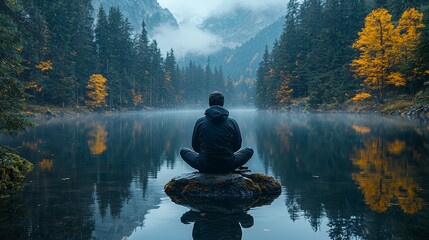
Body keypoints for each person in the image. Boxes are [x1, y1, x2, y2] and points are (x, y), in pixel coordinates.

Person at [180, 91, 253, 173]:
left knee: (184, 151)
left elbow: (196, 147)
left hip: (204, 165)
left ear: (209, 103)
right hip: (228, 165)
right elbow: (237, 146)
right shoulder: (232, 122)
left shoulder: (200, 121)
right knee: (249, 150)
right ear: (223, 103)